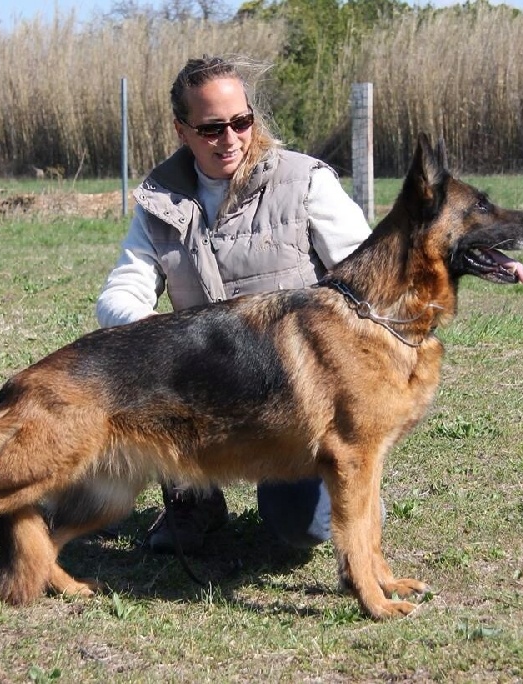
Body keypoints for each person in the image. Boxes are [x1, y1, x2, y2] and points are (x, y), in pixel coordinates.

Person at [95, 56, 372, 555]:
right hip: (205, 389)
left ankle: (346, 475)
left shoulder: (305, 181)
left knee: (305, 529)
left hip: (296, 400)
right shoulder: (159, 203)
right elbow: (122, 292)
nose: (231, 139)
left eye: (241, 122)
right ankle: (194, 497)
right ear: (182, 129)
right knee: (137, 362)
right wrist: (149, 332)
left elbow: (368, 279)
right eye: (211, 128)